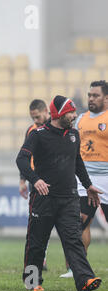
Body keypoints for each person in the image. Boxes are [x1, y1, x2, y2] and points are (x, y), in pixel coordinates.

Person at [16, 95, 102, 291]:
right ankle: (32, 282)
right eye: (71, 112)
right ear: (60, 114)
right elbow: (21, 159)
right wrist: (35, 180)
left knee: (74, 240)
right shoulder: (37, 135)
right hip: (43, 199)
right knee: (36, 243)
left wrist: (88, 185)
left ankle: (85, 280)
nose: (74, 115)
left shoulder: (74, 135)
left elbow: (77, 162)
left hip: (69, 198)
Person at [60, 80, 108, 278]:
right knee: (81, 222)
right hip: (84, 178)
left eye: (95, 95)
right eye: (89, 95)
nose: (90, 98)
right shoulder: (80, 119)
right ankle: (77, 268)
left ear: (106, 98)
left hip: (106, 177)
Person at [18, 99, 51, 271]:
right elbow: (24, 157)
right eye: (33, 118)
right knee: (38, 223)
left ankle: (72, 266)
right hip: (36, 182)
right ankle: (41, 260)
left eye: (37, 117)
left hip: (56, 182)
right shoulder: (31, 131)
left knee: (66, 226)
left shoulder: (57, 128)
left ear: (46, 111)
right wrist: (23, 180)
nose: (35, 121)